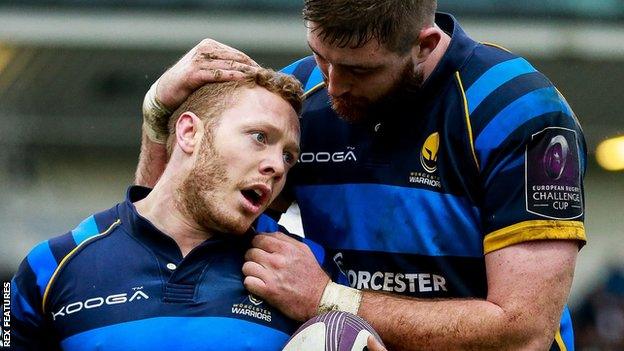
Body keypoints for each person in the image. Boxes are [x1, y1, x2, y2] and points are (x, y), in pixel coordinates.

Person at [136, 1, 588, 349]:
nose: (332, 85)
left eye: (358, 69)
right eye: (320, 57)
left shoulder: (521, 112)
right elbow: (168, 228)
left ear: (424, 45)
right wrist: (158, 117)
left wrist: (329, 300)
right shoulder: (301, 99)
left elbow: (523, 331)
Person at [10, 69, 310, 350]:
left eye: (288, 156)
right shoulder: (49, 264)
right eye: (260, 137)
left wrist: (329, 298)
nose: (277, 166)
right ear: (189, 132)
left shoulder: (305, 269)